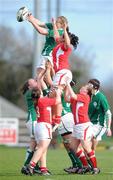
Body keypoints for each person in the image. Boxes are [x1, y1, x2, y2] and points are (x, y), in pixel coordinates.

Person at [22, 86, 61, 176]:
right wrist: (58, 93)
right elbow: (58, 101)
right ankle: (30, 166)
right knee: (41, 148)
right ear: (40, 94)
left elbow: (49, 97)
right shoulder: (43, 100)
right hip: (44, 126)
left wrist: (52, 91)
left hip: (40, 126)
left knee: (43, 148)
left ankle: (43, 169)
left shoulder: (39, 101)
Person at [64, 83, 100, 174]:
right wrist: (66, 89)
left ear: (87, 91)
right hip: (77, 126)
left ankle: (95, 168)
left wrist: (68, 84)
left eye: (84, 87)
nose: (82, 87)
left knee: (86, 147)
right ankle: (86, 166)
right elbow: (67, 99)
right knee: (73, 146)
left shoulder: (85, 97)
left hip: (84, 125)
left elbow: (72, 95)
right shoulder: (78, 96)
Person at [27, 14, 68, 89]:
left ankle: (52, 90)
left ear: (62, 25)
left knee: (41, 76)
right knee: (41, 77)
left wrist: (31, 21)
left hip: (49, 55)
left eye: (57, 22)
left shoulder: (59, 32)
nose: (55, 22)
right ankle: (50, 90)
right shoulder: (54, 26)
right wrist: (30, 17)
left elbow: (41, 31)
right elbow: (41, 23)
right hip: (47, 54)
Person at [20, 78, 40, 174]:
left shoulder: (32, 91)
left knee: (35, 143)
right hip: (33, 120)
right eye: (33, 81)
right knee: (36, 143)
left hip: (33, 120)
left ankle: (33, 165)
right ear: (29, 86)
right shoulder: (30, 92)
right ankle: (27, 165)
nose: (36, 81)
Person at [88, 79, 112, 150]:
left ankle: (91, 156)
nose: (87, 86)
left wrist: (108, 128)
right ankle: (90, 157)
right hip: (91, 123)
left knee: (91, 145)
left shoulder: (101, 97)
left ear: (95, 87)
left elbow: (108, 113)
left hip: (100, 125)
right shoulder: (89, 96)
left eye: (89, 84)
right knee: (85, 141)